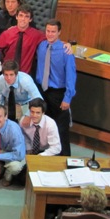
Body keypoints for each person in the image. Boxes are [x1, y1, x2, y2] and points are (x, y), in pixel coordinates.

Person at [35, 19, 76, 156]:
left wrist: (67, 98)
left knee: (61, 128)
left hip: (58, 94)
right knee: (44, 125)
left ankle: (64, 157)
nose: (50, 34)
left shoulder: (66, 51)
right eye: (48, 31)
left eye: (53, 32)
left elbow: (71, 76)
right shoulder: (41, 46)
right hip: (42, 91)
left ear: (59, 32)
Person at [0, 4, 45, 74]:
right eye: (21, 15)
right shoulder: (8, 33)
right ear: (16, 17)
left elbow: (50, 37)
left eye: (26, 16)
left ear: (30, 19)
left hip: (25, 75)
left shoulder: (36, 35)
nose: (23, 19)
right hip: (7, 73)